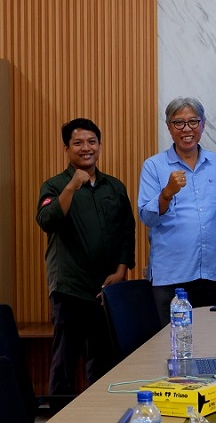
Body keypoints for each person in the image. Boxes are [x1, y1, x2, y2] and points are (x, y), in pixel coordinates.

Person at [36, 118, 136, 398]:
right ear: (66, 149)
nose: (86, 148)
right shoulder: (54, 185)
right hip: (69, 288)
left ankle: (101, 413)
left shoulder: (114, 187)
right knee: (65, 362)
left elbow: (126, 232)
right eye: (78, 143)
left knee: (103, 361)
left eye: (92, 142)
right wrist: (72, 186)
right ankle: (60, 413)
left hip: (106, 289)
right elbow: (47, 220)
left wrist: (121, 271)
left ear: (100, 146)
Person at [138, 97, 216, 325]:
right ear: (169, 127)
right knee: (173, 342)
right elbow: (147, 217)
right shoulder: (153, 166)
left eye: (193, 122)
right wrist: (166, 193)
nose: (187, 129)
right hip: (171, 277)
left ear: (203, 125)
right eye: (178, 123)